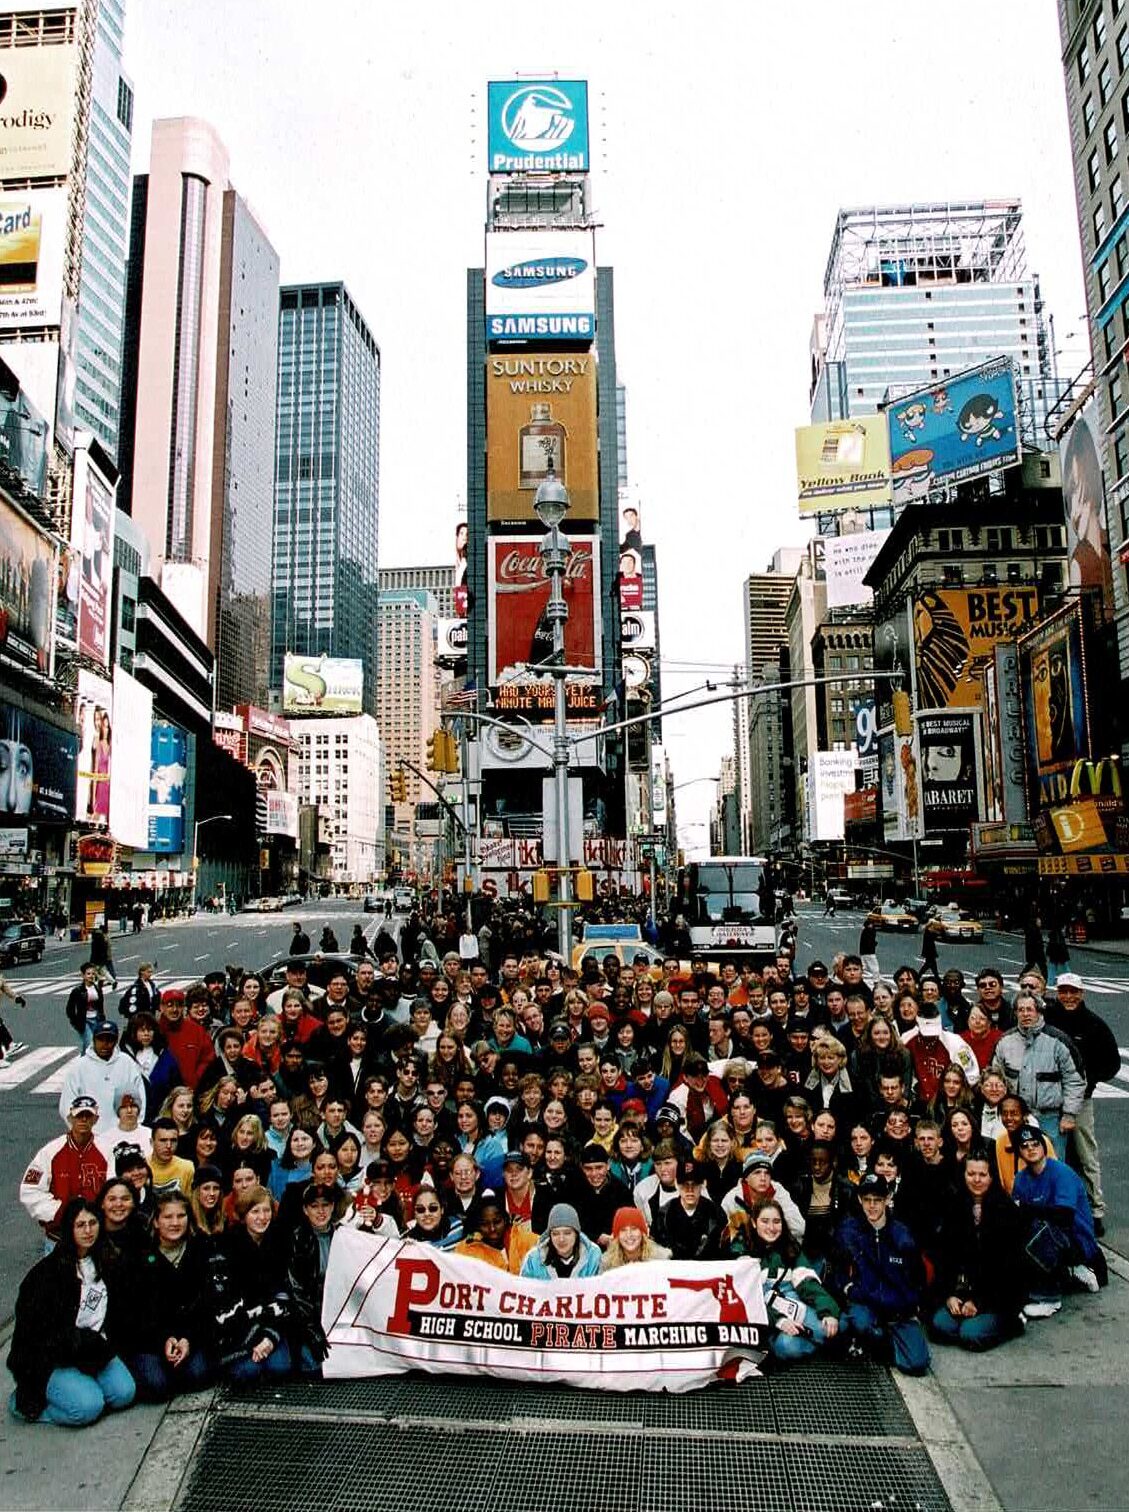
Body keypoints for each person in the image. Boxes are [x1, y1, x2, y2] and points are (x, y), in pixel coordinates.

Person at [8, 1197, 137, 1425]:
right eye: (80, 1225)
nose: (88, 1231)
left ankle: (81, 1388)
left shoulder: (107, 1260)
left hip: (95, 1349)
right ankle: (27, 1405)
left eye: (93, 1223)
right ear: (69, 1228)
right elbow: (39, 1336)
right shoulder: (46, 1274)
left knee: (124, 1393)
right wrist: (84, 1345)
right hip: (54, 1358)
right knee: (88, 1408)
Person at [1044, 971, 1120, 1237]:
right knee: (1054, 1154)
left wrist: (1089, 1081)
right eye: (1063, 991)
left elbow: (1112, 1063)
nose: (1068, 997)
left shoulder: (1094, 1025)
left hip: (1082, 1102)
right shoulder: (1049, 1020)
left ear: (1081, 993)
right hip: (1051, 1098)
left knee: (1086, 1154)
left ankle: (1095, 1210)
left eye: (1073, 992)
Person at [832, 1172, 930, 1375]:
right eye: (867, 1200)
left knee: (917, 1364)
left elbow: (918, 1277)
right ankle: (869, 1337)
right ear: (859, 1199)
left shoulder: (902, 1235)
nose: (872, 1206)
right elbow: (838, 1268)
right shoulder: (849, 1231)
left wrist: (911, 1304)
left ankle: (881, 1343)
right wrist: (849, 1289)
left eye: (877, 1200)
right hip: (866, 1303)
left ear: (888, 1199)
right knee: (851, 1326)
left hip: (898, 1311)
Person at [929, 1152, 1026, 1351]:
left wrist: (979, 1303)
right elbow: (944, 1258)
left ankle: (1010, 1324)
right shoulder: (954, 1205)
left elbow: (1009, 1271)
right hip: (962, 1291)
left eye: (982, 1175)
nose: (976, 1180)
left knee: (970, 1334)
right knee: (940, 1325)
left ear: (991, 1177)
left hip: (995, 1298)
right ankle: (969, 1325)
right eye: (971, 1174)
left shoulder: (1007, 1211)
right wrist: (949, 1295)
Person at [124, 1193, 213, 1400]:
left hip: (189, 1335)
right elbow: (136, 1310)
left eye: (181, 1216)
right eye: (168, 1217)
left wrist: (188, 1339)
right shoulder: (140, 1256)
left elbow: (207, 1303)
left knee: (199, 1375)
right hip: (152, 1338)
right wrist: (164, 1339)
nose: (175, 1223)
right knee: (158, 1387)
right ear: (156, 1221)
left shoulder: (200, 1250)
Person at [1012, 1125, 1103, 1315]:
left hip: (1076, 1239)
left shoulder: (1062, 1173)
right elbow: (1017, 1214)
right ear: (1019, 1152)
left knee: (1040, 1229)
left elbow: (1064, 1216)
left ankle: (1049, 1298)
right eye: (1025, 1146)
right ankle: (1069, 1272)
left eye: (1036, 1144)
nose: (1031, 1149)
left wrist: (1029, 1209)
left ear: (1044, 1146)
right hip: (1048, 1234)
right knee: (1018, 1231)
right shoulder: (1020, 1179)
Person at [734, 1200, 841, 1363]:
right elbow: (746, 1300)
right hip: (765, 1317)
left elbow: (808, 1283)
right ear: (754, 1223)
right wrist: (780, 1321)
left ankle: (815, 1338)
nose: (771, 1227)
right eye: (765, 1221)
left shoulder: (790, 1248)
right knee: (786, 1347)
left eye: (776, 1222)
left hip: (794, 1305)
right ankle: (813, 1343)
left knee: (831, 1328)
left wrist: (827, 1311)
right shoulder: (741, 1250)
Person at [990, 991, 1085, 1150]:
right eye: (1021, 1010)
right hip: (1015, 1118)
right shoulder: (1004, 1042)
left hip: (1050, 1119)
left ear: (1039, 1012)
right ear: (1015, 1013)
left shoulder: (1059, 1042)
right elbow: (995, 1078)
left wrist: (1069, 1115)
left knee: (1053, 1167)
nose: (1025, 1014)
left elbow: (1074, 1080)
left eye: (1030, 1009)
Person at [20, 1096, 108, 1245]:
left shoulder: (107, 1150)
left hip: (95, 1238)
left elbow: (116, 1189)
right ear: (70, 1118)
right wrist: (60, 1212)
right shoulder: (50, 1151)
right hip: (58, 1239)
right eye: (79, 1115)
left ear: (96, 1119)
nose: (83, 1120)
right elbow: (30, 1190)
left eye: (88, 1116)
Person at [57, 1020, 147, 1128]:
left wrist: (135, 1127)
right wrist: (80, 1131)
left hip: (122, 1134)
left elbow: (140, 1097)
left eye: (110, 1039)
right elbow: (66, 1104)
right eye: (101, 1039)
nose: (105, 1044)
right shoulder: (79, 1067)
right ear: (94, 1040)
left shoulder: (127, 1063)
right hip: (90, 1135)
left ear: (116, 1041)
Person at [520, 1202, 602, 1280]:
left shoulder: (593, 1256)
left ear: (576, 1234)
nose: (561, 1239)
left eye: (567, 1233)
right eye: (555, 1234)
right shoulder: (533, 1259)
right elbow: (524, 1288)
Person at [599, 1206, 671, 1270]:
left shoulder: (661, 1260)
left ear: (643, 1233)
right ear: (617, 1235)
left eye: (634, 1229)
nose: (629, 1235)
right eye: (623, 1230)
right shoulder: (607, 1263)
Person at [65, 963, 105, 1053]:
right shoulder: (77, 991)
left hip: (96, 1019)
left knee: (90, 1045)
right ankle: (89, 1064)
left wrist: (102, 1018)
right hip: (84, 1021)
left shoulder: (97, 989)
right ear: (83, 975)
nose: (91, 976)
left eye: (93, 974)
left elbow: (101, 1006)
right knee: (90, 1044)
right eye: (88, 974)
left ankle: (83, 1063)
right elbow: (70, 1009)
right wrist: (75, 1021)